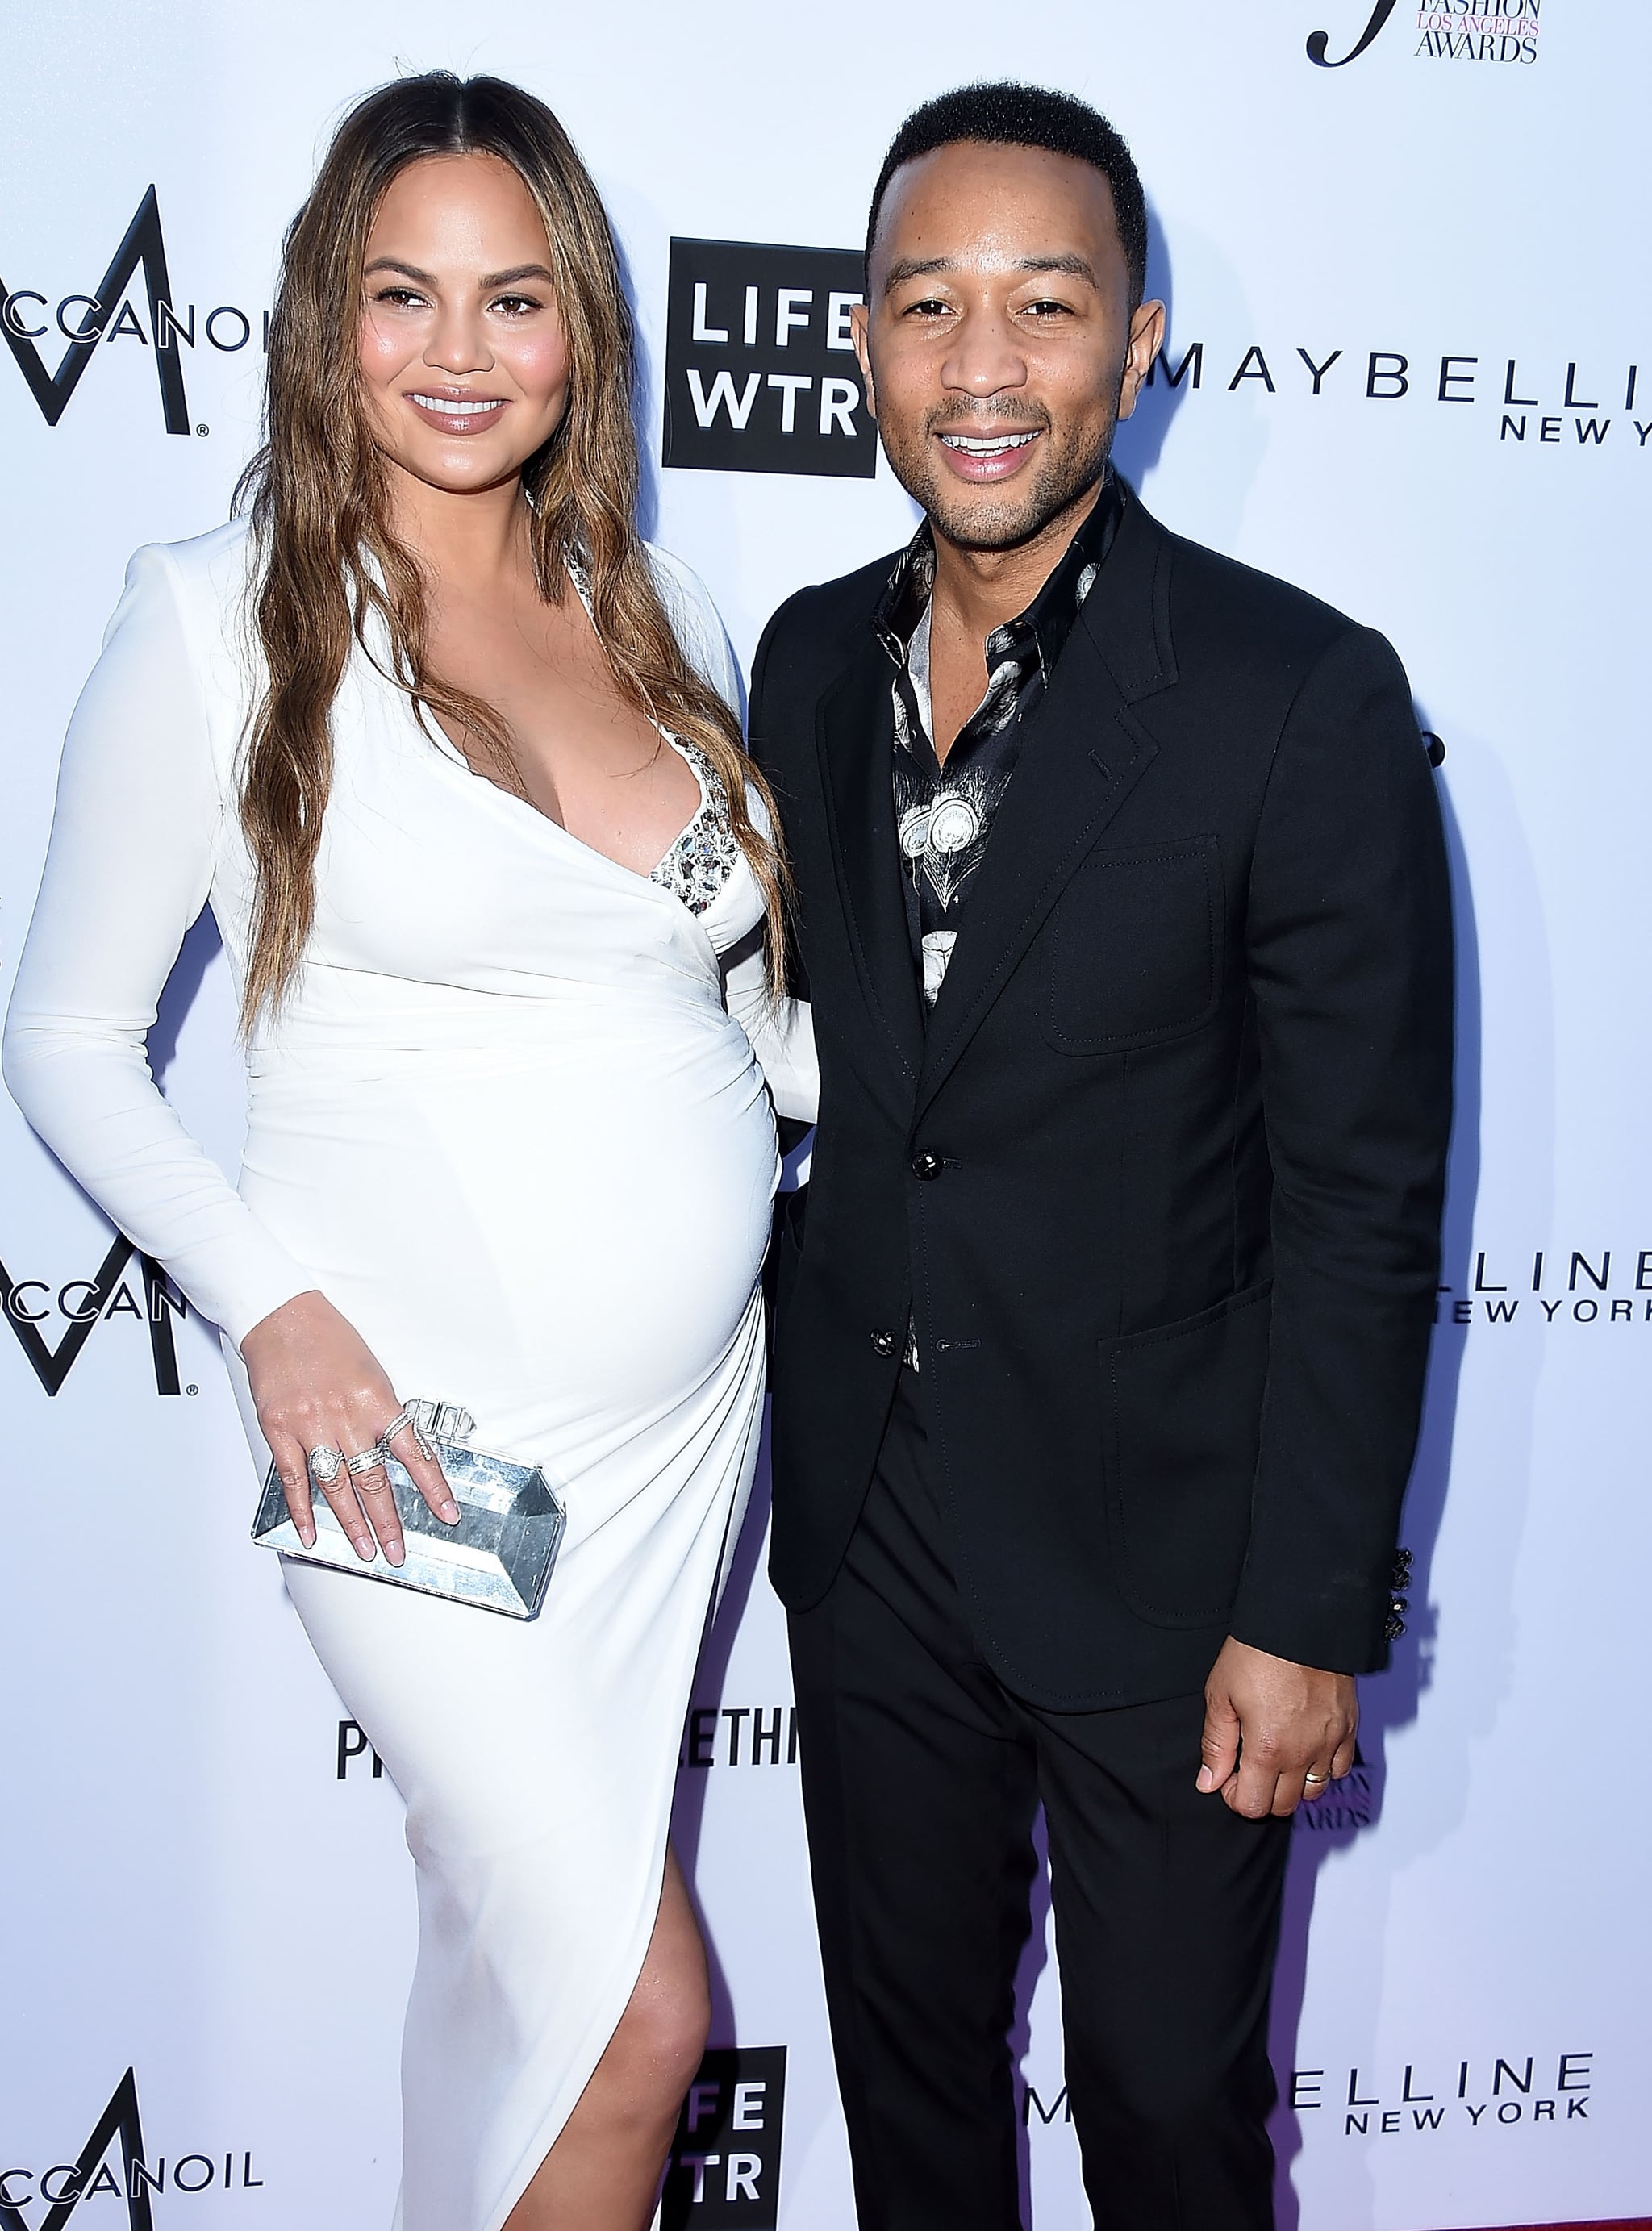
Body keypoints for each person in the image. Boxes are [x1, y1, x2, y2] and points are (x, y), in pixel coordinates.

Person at [3, 72, 814, 2231]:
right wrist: (270, 1313)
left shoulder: (667, 618)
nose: (459, 354)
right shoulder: (218, 613)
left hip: (669, 1444)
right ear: (322, 315)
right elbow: (67, 1036)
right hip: (415, 1444)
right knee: (636, 2018)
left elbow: (745, 1025)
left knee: (510, 1994)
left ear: (583, 335)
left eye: (515, 300)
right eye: (403, 294)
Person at [749, 81, 1453, 2231]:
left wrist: (1308, 1610)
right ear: (858, 341)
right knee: (916, 2103)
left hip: (1174, 1566)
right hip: (872, 1531)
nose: (983, 369)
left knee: (1164, 2120)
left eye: (1044, 307)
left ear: (1138, 345)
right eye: (927, 306)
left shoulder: (1294, 696)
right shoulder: (794, 663)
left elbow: (1364, 1195)